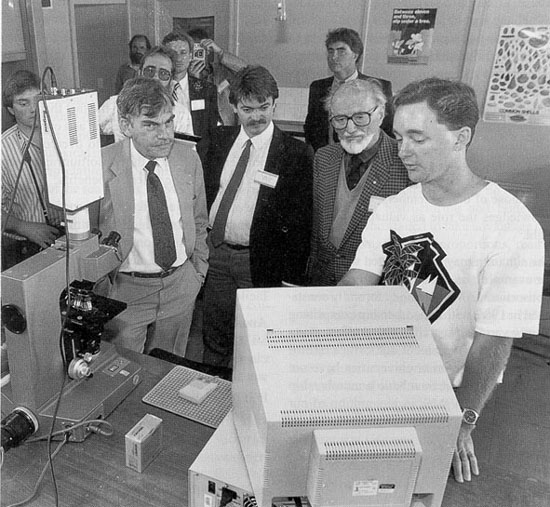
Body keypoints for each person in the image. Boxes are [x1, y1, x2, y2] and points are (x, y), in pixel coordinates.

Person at [339, 77, 545, 483]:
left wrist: (462, 421)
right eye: (398, 137)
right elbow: (356, 284)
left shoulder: (511, 225)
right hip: (381, 377)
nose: (402, 151)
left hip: (450, 393)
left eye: (418, 138)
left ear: (461, 137)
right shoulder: (396, 208)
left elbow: (494, 340)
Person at [202, 65, 312, 367]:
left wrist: (291, 279)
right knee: (215, 336)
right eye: (248, 109)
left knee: (258, 342)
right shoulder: (217, 142)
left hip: (261, 262)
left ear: (274, 104)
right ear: (234, 106)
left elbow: (302, 224)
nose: (257, 117)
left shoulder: (296, 154)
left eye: (264, 107)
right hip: (216, 257)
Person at [93, 77, 209, 356]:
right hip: (125, 293)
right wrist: (104, 291)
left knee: (170, 372)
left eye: (168, 122)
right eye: (151, 125)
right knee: (123, 375)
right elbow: (87, 239)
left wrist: (198, 273)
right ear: (125, 124)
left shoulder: (188, 159)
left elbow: (199, 221)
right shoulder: (100, 166)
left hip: (180, 286)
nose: (165, 134)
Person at [308, 79, 409, 286]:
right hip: (322, 279)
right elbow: (317, 230)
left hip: (373, 286)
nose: (350, 128)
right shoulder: (324, 158)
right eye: (340, 119)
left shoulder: (404, 163)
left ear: (380, 115)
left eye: (360, 117)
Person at [2, 70, 63, 269]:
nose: (33, 109)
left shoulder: (64, 135)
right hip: (27, 248)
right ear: (11, 109)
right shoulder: (3, 151)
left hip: (70, 236)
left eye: (37, 99)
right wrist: (23, 227)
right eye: (23, 103)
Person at [304, 27, 394, 152]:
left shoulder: (379, 86)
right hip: (327, 159)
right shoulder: (318, 87)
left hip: (366, 158)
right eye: (331, 51)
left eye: (341, 51)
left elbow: (388, 129)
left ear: (355, 55)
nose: (334, 57)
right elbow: (310, 127)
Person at [162, 30, 219, 164]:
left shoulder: (207, 90)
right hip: (164, 156)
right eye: (172, 54)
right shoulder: (156, 88)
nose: (178, 58)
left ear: (191, 56)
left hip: (198, 158)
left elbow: (213, 131)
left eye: (183, 53)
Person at [99, 45, 176, 142]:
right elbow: (87, 131)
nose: (155, 77)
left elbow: (187, 154)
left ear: (171, 80)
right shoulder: (114, 105)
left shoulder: (181, 114)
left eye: (163, 73)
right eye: (150, 71)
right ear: (140, 73)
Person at [187, 28, 247, 126]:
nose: (196, 54)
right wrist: (194, 80)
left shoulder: (222, 71)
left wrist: (220, 52)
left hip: (226, 127)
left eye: (199, 50)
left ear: (208, 51)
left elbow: (248, 71)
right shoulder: (183, 76)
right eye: (192, 51)